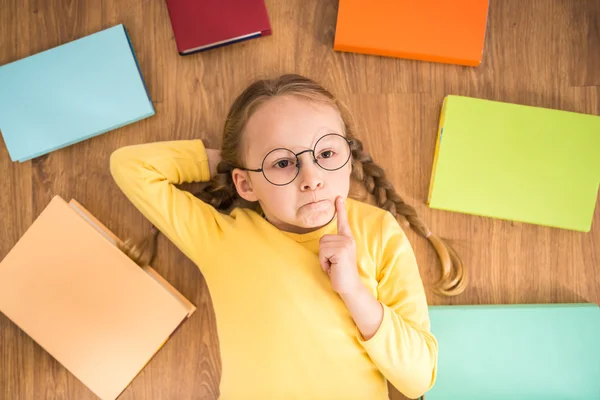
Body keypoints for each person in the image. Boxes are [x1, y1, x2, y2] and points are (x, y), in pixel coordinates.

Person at [110, 74, 466, 399]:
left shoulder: (377, 231)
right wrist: (230, 163)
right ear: (245, 184)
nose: (311, 178)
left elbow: (419, 378)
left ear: (347, 156)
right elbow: (131, 167)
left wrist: (353, 291)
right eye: (283, 163)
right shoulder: (220, 239)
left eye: (326, 153)